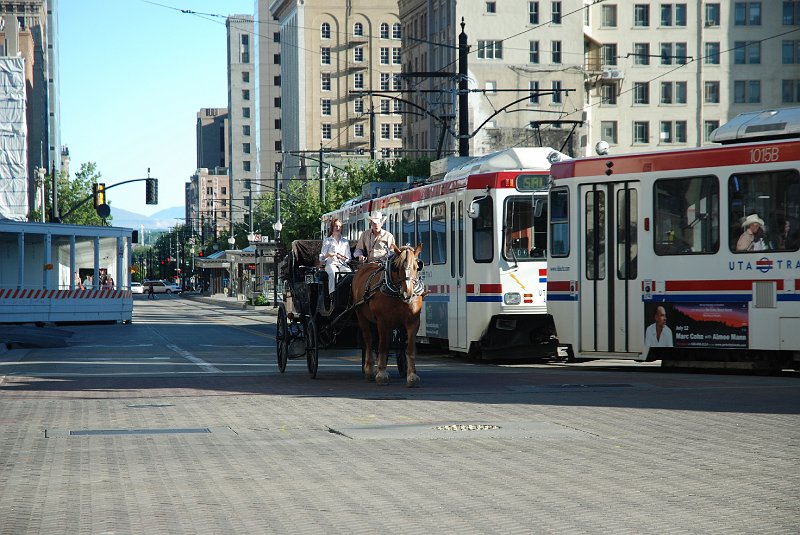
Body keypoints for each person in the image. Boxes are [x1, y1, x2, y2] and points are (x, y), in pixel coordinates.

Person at [319, 218, 352, 295]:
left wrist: (341, 257)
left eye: (339, 226)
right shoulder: (327, 240)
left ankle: (347, 294)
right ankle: (332, 296)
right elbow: (321, 257)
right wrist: (329, 254)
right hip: (330, 264)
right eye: (336, 226)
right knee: (333, 273)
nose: (338, 228)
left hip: (342, 264)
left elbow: (348, 258)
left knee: (349, 274)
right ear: (332, 228)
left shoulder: (345, 241)